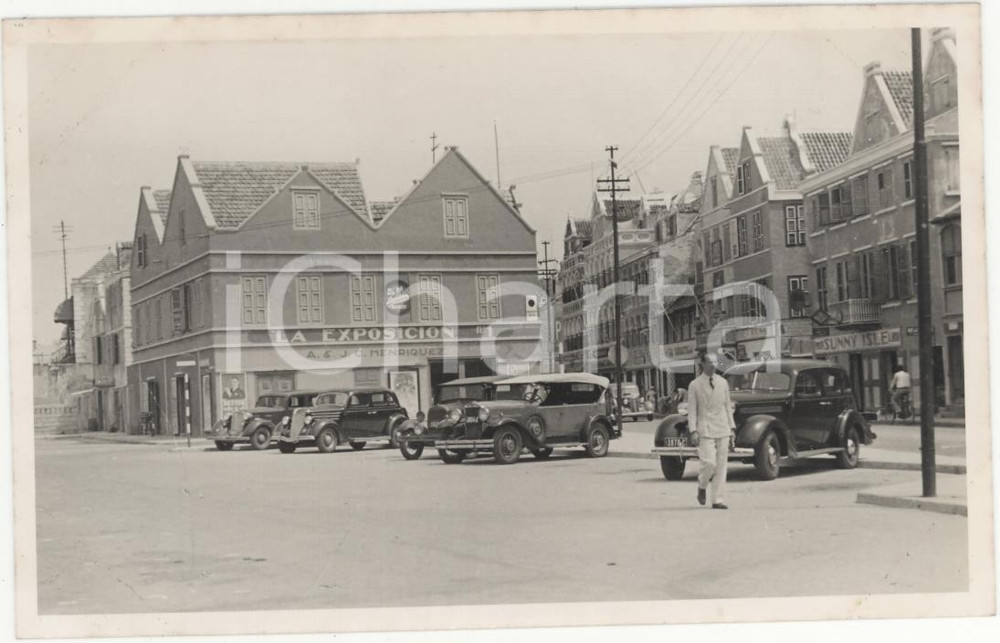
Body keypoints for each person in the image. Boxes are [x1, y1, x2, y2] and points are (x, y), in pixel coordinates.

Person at [687, 352, 736, 509]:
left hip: (722, 426)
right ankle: (702, 486)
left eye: (715, 362)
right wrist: (693, 430)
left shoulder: (723, 382)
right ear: (702, 364)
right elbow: (692, 410)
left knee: (721, 465)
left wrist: (732, 427)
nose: (713, 365)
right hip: (705, 428)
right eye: (710, 362)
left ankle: (717, 500)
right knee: (709, 463)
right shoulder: (695, 385)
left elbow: (727, 406)